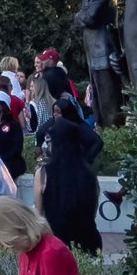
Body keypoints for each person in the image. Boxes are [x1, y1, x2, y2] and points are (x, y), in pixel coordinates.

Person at [34, 95, 104, 256]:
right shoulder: (89, 174)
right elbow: (92, 211)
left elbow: (39, 214)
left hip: (57, 244)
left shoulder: (43, 173)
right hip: (89, 242)